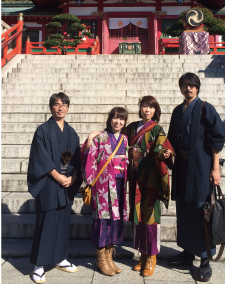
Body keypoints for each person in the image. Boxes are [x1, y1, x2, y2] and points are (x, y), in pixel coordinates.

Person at [167, 72, 225, 282]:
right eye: (184, 85)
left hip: (200, 165)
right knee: (184, 209)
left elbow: (217, 137)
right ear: (181, 88)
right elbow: (171, 139)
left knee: (202, 210)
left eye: (192, 85)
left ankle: (205, 260)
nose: (188, 89)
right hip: (182, 166)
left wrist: (215, 168)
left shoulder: (205, 108)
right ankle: (187, 252)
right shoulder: (176, 111)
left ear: (197, 88)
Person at [27, 92, 82, 283]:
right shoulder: (43, 130)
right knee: (47, 223)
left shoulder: (71, 132)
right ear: (51, 107)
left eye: (64, 104)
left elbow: (77, 159)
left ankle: (60, 257)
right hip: (49, 183)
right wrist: (58, 176)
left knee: (62, 221)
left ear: (68, 107)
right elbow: (39, 157)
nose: (61, 108)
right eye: (57, 105)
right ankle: (39, 265)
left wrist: (73, 177)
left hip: (66, 184)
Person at [127, 96, 174, 277]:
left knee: (151, 218)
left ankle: (152, 256)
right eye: (144, 106)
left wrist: (164, 153)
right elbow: (121, 142)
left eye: (151, 107)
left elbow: (161, 148)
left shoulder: (157, 129)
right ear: (140, 109)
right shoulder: (131, 128)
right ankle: (142, 254)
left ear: (155, 110)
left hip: (151, 179)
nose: (147, 110)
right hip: (135, 178)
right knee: (138, 216)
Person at [80, 107, 129, 276]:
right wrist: (88, 141)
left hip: (119, 184)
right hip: (103, 185)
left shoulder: (125, 138)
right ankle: (101, 258)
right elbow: (89, 157)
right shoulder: (100, 137)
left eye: (121, 119)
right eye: (115, 118)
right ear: (110, 119)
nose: (118, 122)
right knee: (102, 220)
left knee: (115, 219)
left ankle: (109, 257)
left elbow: (128, 160)